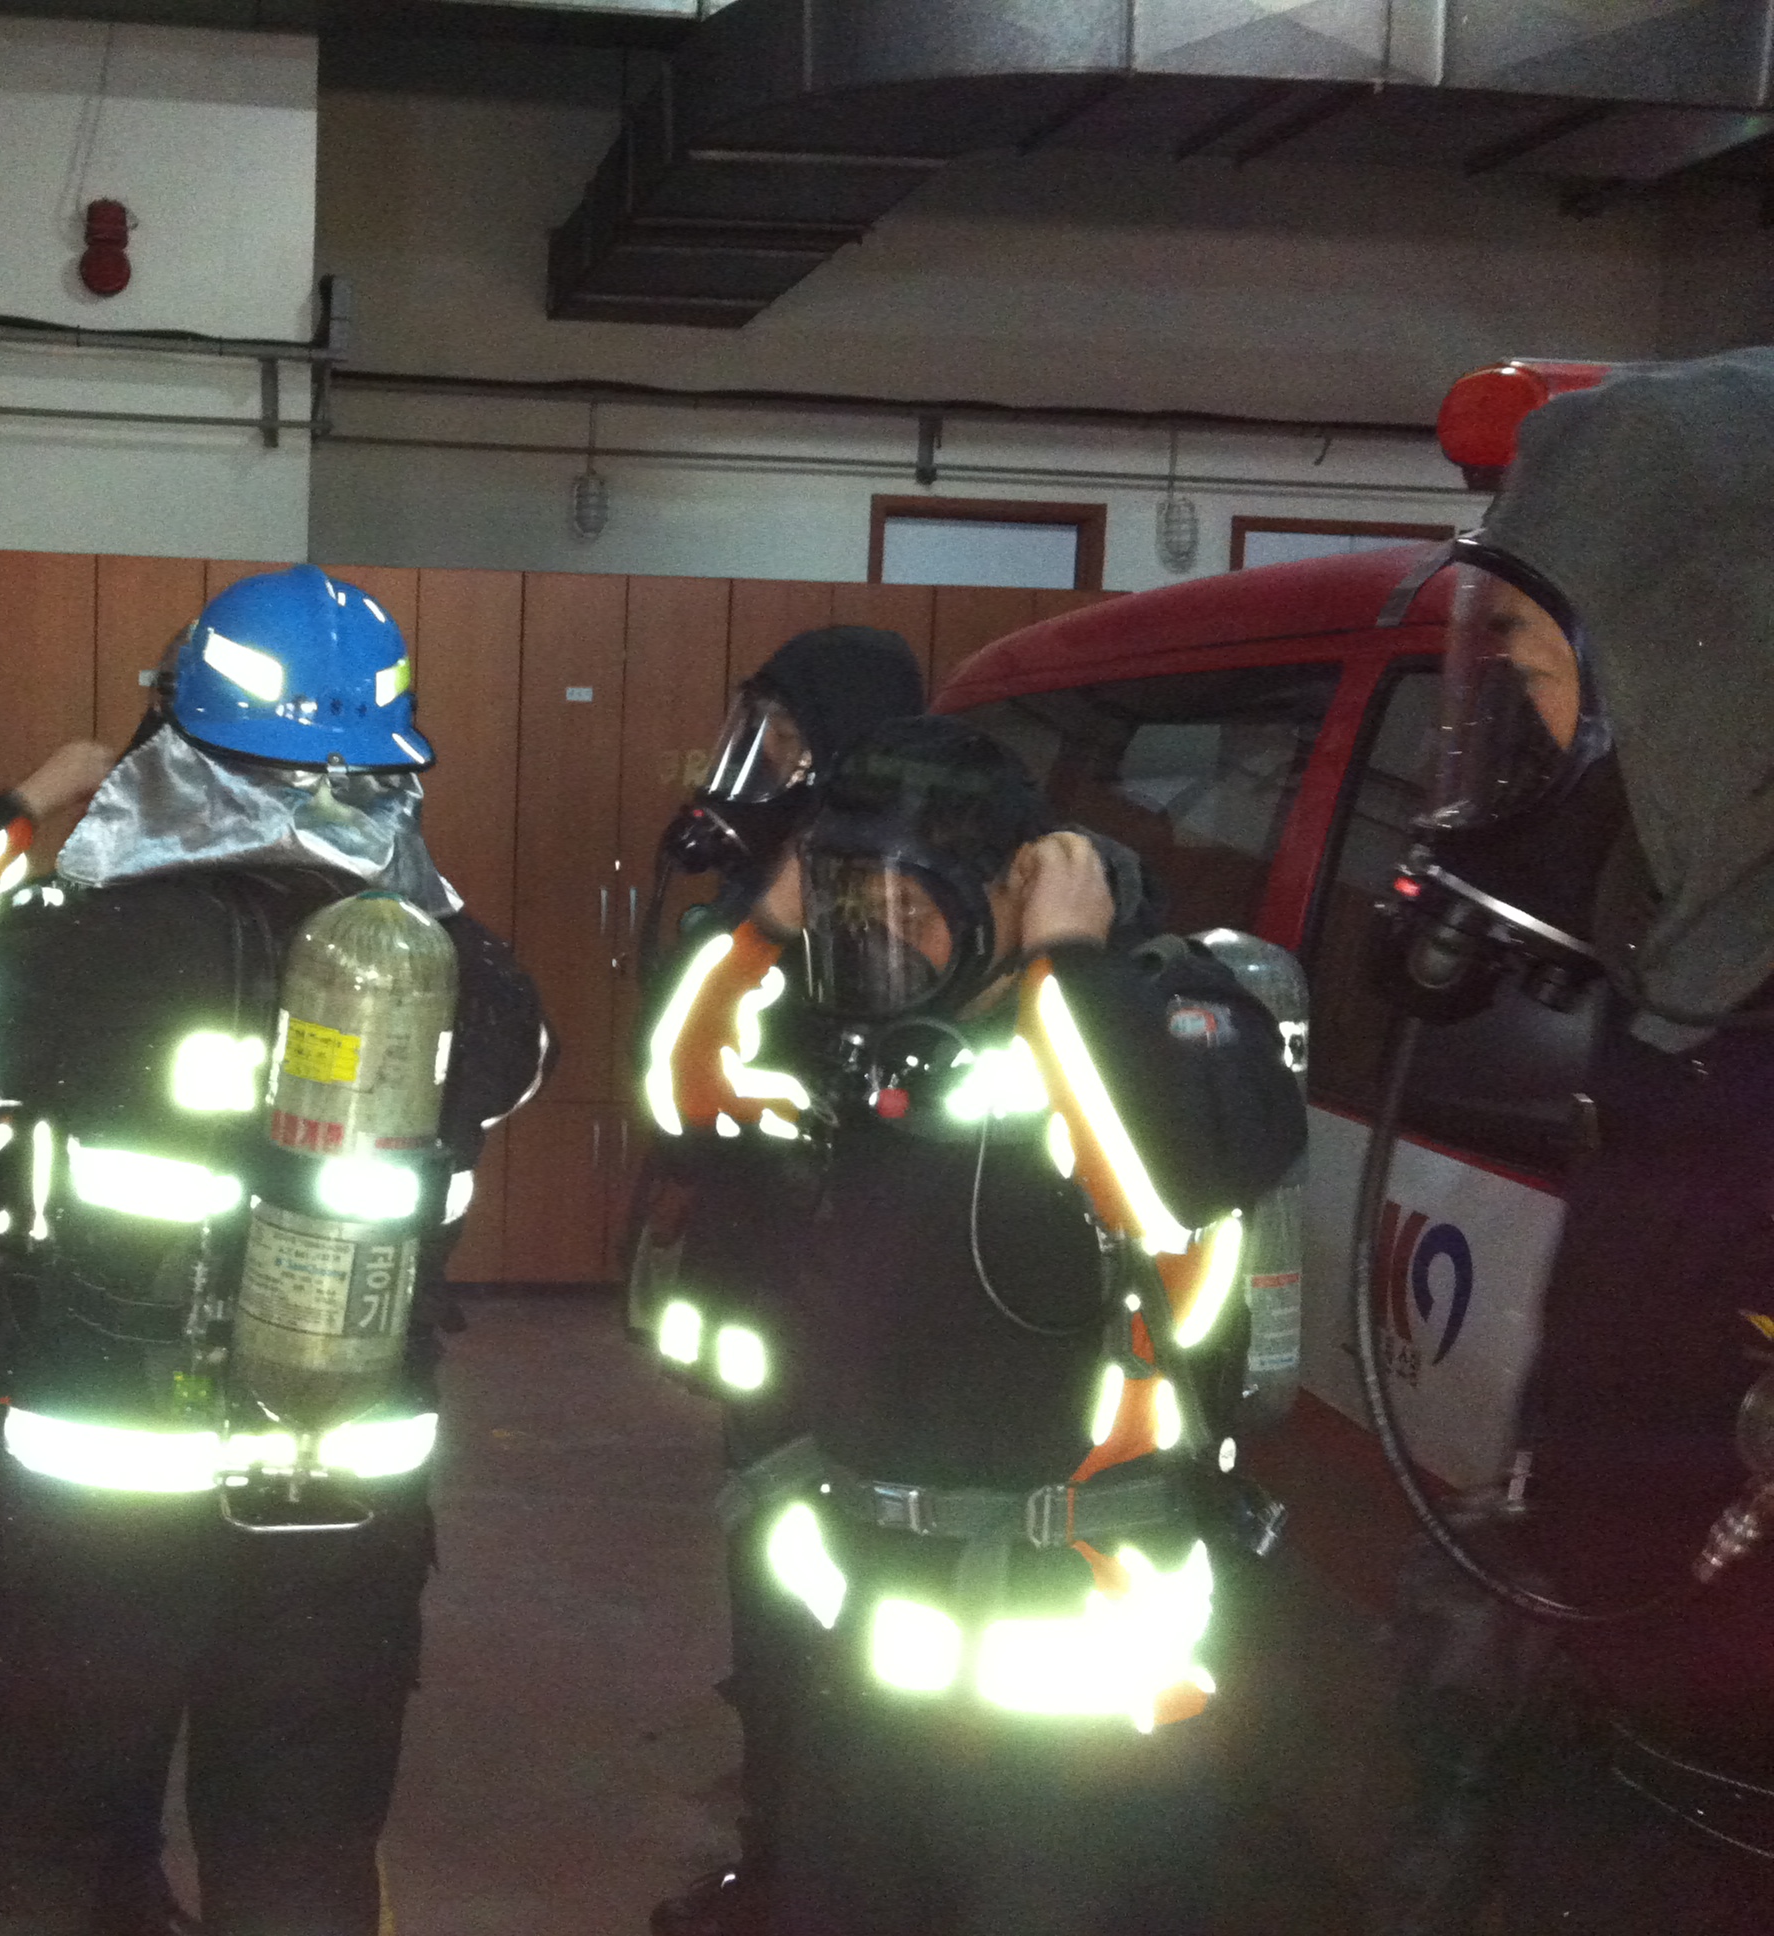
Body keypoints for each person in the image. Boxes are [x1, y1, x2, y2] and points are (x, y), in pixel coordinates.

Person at [0, 565, 549, 1936]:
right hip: (347, 1486)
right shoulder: (462, 971)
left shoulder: (72, 950)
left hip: (105, 1482)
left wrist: (40, 812)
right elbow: (514, 1076)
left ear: (179, 742)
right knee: (302, 1838)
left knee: (17, 1822)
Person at [695, 715, 1301, 1935]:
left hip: (1075, 1700)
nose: (879, 937)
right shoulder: (886, 1058)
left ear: (1007, 891)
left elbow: (1176, 1179)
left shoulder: (1154, 1020)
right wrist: (765, 928)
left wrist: (1067, 961)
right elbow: (689, 1094)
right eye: (855, 905)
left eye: (909, 905)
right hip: (876, 1665)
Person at [1365, 349, 1774, 1934]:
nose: (1528, 737)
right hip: (1613, 1760)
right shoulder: (1680, 971)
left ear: (1704, 668)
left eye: (1538, 675)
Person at [634, 628, 926, 1936]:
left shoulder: (860, 883)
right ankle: (791, 1848)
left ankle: (805, 1871)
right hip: (786, 1281)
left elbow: (699, 1080)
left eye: (795, 736)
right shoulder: (792, 866)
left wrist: (747, 923)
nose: (776, 762)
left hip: (831, 1295)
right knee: (783, 1574)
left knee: (815, 1584)